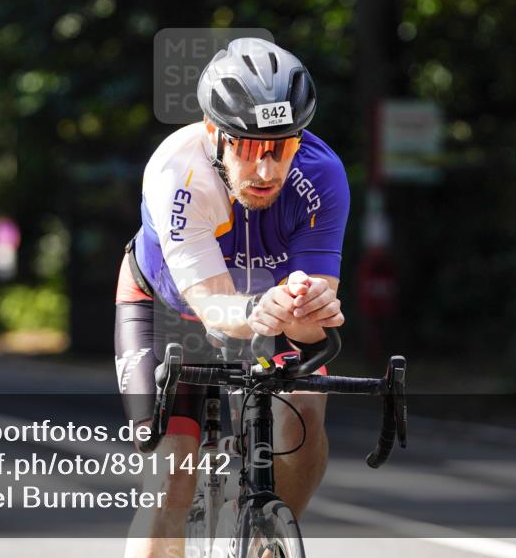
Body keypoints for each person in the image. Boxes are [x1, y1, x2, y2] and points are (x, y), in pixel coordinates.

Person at [115, 37, 350, 558]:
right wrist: (261, 312)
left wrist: (313, 311)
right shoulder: (178, 172)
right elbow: (214, 308)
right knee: (173, 473)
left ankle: (267, 536)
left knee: (307, 412)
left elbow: (311, 326)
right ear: (214, 135)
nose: (266, 170)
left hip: (261, 314)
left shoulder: (322, 175)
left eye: (283, 146)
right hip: (169, 309)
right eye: (247, 147)